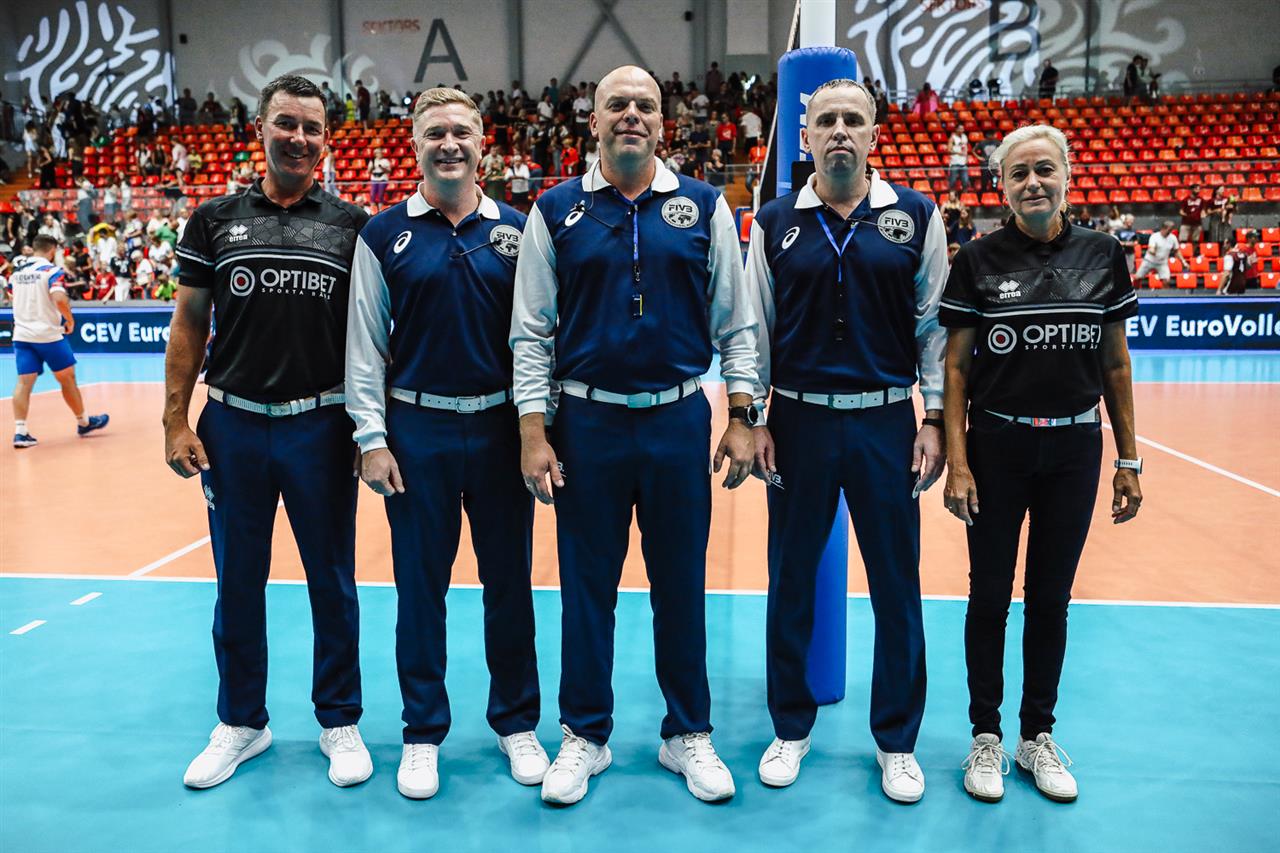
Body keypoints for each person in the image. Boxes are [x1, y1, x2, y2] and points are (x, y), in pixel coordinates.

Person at [510, 64, 756, 806]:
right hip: (587, 423)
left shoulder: (704, 205)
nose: (631, 115)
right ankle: (584, 734)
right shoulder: (555, 210)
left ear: (662, 122)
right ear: (593, 121)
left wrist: (742, 414)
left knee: (681, 584)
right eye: (616, 104)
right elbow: (531, 331)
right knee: (587, 588)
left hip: (678, 417)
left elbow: (737, 321)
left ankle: (688, 733)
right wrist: (532, 431)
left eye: (644, 105)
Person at [166, 74, 372, 791]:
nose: (299, 138)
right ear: (260, 128)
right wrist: (174, 419)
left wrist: (368, 429)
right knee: (237, 582)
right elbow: (189, 324)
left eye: (312, 127)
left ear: (327, 140)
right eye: (286, 123)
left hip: (322, 426)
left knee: (332, 580)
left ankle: (339, 719)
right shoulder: (213, 219)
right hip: (234, 427)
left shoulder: (353, 226)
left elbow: (370, 336)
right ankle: (241, 722)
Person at [744, 78, 946, 802]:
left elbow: (934, 327)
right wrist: (754, 415)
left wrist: (933, 419)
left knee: (897, 586)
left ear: (872, 136)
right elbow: (756, 325)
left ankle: (897, 741)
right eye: (825, 119)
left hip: (885, 422)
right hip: (797, 422)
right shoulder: (774, 221)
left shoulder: (915, 215)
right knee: (790, 580)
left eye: (851, 120)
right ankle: (790, 727)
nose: (838, 131)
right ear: (805, 137)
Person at [346, 87, 545, 801]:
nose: (449, 143)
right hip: (417, 432)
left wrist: (538, 428)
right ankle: (422, 732)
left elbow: (538, 337)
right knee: (420, 589)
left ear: (482, 143)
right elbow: (365, 346)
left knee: (509, 585)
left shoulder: (521, 230)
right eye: (435, 133)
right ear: (415, 144)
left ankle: (517, 723)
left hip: (498, 430)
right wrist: (372, 438)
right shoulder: (381, 235)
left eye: (462, 131)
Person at [939, 123, 1142, 805]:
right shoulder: (976, 259)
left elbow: (1115, 364)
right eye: (1018, 172)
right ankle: (985, 735)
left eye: (1043, 170)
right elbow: (956, 369)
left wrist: (1130, 458)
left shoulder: (1103, 254)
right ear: (1000, 185)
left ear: (1066, 176)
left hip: (1075, 450)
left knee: (1051, 597)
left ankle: (1036, 735)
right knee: (989, 595)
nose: (1032, 182)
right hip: (997, 447)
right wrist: (959, 460)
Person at [7, 235, 110, 448]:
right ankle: (84, 422)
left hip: (22, 335)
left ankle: (20, 432)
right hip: (48, 335)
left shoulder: (16, 273)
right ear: (52, 251)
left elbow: (11, 297)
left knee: (24, 382)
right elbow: (60, 298)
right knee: (67, 379)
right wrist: (69, 320)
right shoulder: (51, 271)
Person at [1135, 220, 1179, 285]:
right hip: (1149, 261)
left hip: (1162, 263)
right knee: (1137, 278)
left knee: (1166, 281)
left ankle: (1165, 292)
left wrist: (1183, 261)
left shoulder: (1173, 238)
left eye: (1171, 230)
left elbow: (1177, 250)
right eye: (1169, 230)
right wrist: (1152, 251)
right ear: (1163, 228)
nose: (1170, 232)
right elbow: (1151, 248)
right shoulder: (1155, 236)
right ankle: (1135, 290)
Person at [1220, 230, 1260, 295]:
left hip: (1253, 278)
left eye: (1257, 237)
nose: (1257, 239)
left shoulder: (1255, 249)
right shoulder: (1242, 248)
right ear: (1249, 239)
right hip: (1245, 278)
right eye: (1255, 237)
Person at [948, 123, 971, 189]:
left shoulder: (964, 137)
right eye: (960, 129)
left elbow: (966, 148)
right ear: (956, 129)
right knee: (952, 181)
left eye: (963, 129)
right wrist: (958, 153)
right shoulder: (952, 138)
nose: (962, 130)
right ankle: (952, 194)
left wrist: (967, 158)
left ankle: (965, 194)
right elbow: (949, 150)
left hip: (963, 163)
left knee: (965, 181)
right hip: (954, 163)